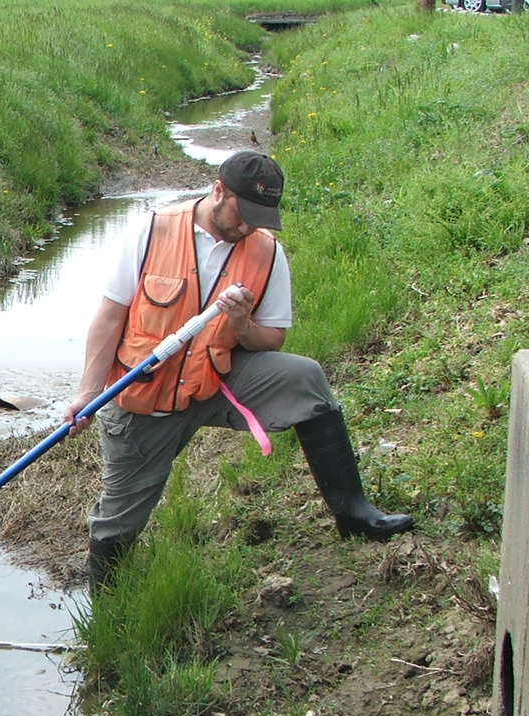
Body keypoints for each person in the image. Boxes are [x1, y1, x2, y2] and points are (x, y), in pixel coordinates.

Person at [61, 151, 413, 592]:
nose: (248, 227)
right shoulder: (153, 230)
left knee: (305, 379)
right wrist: (87, 392)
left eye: (260, 217)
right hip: (144, 401)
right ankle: (107, 612)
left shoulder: (267, 253)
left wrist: (243, 325)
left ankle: (355, 514)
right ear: (219, 189)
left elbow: (273, 340)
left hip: (215, 381)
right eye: (242, 214)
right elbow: (111, 316)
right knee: (118, 523)